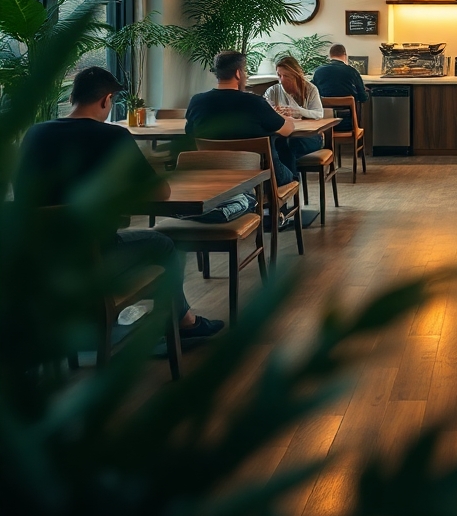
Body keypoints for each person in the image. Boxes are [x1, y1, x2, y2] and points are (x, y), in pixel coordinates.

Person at [14, 67, 224, 339]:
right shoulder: (112, 136)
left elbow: (23, 195)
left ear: (72, 98)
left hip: (41, 260)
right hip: (94, 258)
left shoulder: (35, 133)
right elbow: (160, 193)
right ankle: (185, 323)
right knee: (163, 244)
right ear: (106, 100)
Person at [185, 50, 296, 185]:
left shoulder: (197, 101)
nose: (246, 75)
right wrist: (288, 120)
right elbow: (286, 130)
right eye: (245, 71)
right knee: (291, 172)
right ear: (238, 73)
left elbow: (189, 132)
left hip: (212, 174)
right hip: (257, 177)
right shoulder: (255, 102)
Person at [264, 55, 324, 177]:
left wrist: (298, 111)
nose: (281, 79)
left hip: (309, 136)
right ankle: (285, 181)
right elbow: (264, 112)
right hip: (283, 135)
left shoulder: (310, 89)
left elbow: (319, 114)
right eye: (279, 75)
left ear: (295, 76)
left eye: (286, 76)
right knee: (277, 144)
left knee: (289, 144)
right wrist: (275, 112)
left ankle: (291, 180)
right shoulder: (272, 91)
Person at [312, 43, 368, 133]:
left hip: (324, 123)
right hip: (347, 123)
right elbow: (363, 98)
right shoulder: (351, 71)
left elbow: (313, 93)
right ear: (345, 55)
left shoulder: (318, 71)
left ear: (330, 55)